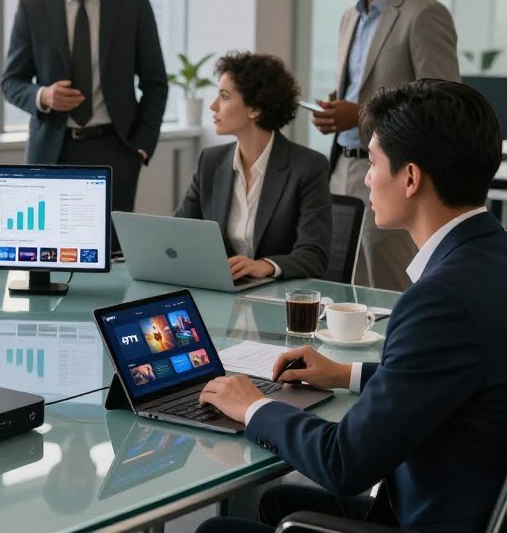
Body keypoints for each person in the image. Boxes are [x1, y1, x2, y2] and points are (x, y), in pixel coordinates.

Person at [197, 79, 507, 533]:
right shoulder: (491, 258)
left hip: (427, 517)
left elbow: (343, 463)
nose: (365, 177)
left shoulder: (440, 300)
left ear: (411, 178)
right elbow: (457, 376)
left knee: (214, 531)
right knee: (280, 501)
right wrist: (346, 374)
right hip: (462, 501)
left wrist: (253, 408)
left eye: (374, 161)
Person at [310, 0, 459, 291]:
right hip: (342, 168)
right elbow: (365, 87)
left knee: (387, 289)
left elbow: (443, 103)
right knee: (341, 286)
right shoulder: (349, 17)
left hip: (393, 172)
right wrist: (337, 110)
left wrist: (357, 113)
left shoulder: (423, 13)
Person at [1, 0, 168, 215]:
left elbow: (155, 83)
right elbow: (11, 82)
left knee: (110, 256)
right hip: (52, 149)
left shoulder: (132, 2)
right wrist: (43, 95)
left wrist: (141, 147)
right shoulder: (32, 7)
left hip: (116, 149)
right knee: (46, 254)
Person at [175, 52, 331, 281]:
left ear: (255, 108)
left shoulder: (308, 167)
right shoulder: (210, 161)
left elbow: (314, 255)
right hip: (223, 291)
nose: (213, 106)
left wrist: (265, 266)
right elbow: (179, 232)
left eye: (224, 96)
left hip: (278, 298)